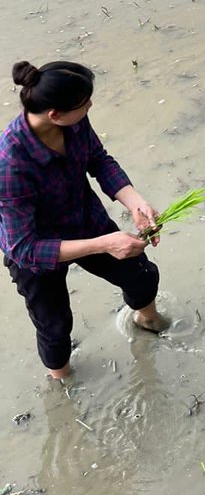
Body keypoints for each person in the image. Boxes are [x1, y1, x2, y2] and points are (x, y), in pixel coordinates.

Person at [0, 60, 165, 380]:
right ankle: (61, 382)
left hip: (83, 218)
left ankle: (148, 320)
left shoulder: (74, 122)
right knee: (55, 325)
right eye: (84, 103)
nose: (90, 106)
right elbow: (25, 248)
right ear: (54, 115)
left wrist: (135, 202)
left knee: (141, 275)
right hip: (36, 250)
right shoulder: (10, 165)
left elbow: (98, 160)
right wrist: (104, 244)